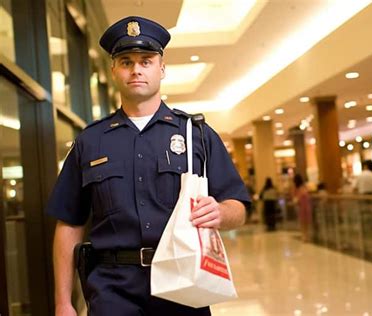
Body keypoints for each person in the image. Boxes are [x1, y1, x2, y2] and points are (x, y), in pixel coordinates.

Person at [46, 16, 250, 316]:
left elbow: (239, 207)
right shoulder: (90, 141)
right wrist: (63, 302)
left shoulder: (196, 134)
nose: (136, 69)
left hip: (184, 282)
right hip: (112, 290)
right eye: (126, 61)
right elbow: (69, 223)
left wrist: (220, 212)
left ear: (161, 68)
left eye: (146, 60)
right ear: (114, 69)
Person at [293, 174, 312, 242]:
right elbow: (307, 194)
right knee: (306, 221)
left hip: (301, 206)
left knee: (303, 222)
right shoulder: (304, 187)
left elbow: (295, 197)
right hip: (306, 205)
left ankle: (304, 236)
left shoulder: (297, 188)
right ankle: (306, 236)